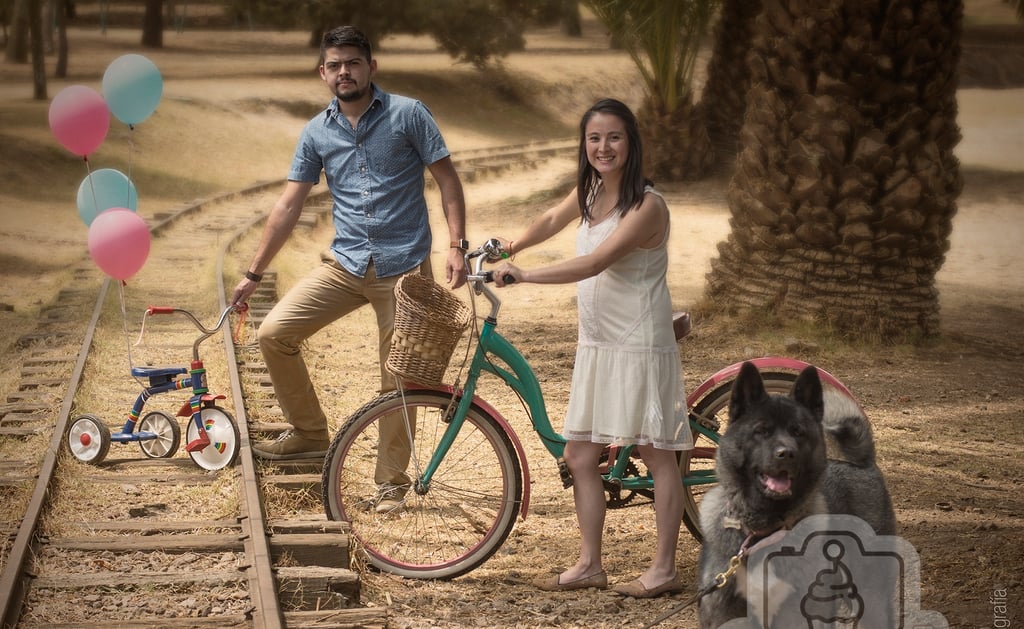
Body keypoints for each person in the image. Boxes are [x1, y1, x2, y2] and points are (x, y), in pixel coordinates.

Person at [230, 26, 468, 507]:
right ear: (323, 73)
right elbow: (289, 205)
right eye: (335, 65)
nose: (345, 72)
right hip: (346, 263)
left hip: (403, 270)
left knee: (398, 375)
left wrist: (456, 245)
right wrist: (253, 273)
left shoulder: (408, 114)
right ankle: (309, 433)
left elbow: (448, 180)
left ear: (370, 67)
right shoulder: (316, 131)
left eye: (353, 63)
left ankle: (391, 483)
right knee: (274, 333)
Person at [493, 99, 691, 598]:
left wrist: (525, 274)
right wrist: (510, 247)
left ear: (632, 143)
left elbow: (596, 262)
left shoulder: (647, 206)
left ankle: (664, 569)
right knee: (580, 455)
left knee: (655, 453)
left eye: (614, 137)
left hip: (637, 342)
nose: (603, 147)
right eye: (594, 138)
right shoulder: (591, 190)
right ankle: (589, 565)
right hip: (599, 342)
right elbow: (550, 218)